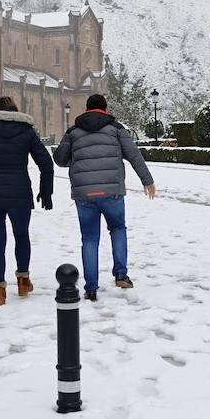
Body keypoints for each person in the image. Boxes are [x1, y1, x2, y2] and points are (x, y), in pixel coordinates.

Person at [53, 93, 155, 301]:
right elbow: (134, 155)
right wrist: (147, 181)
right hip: (112, 192)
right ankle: (121, 275)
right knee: (118, 229)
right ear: (105, 109)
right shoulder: (116, 129)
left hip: (85, 194)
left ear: (87, 109)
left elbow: (60, 160)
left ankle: (91, 287)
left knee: (89, 238)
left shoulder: (73, 132)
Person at [0, 96, 54, 306]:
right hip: (19, 193)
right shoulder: (27, 132)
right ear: (16, 112)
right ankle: (23, 281)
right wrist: (46, 191)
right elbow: (46, 163)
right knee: (22, 235)